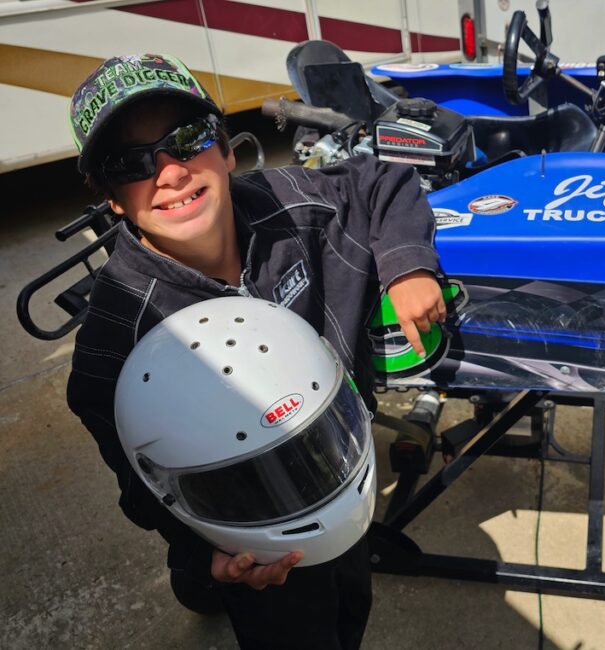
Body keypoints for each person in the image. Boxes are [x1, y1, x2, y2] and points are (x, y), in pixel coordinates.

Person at [65, 53, 446, 649]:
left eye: (186, 140)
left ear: (223, 146)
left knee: (352, 598)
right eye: (131, 162)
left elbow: (379, 178)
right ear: (112, 198)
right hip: (252, 530)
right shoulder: (117, 336)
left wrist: (406, 264)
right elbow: (138, 471)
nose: (168, 171)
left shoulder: (286, 200)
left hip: (338, 463)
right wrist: (198, 551)